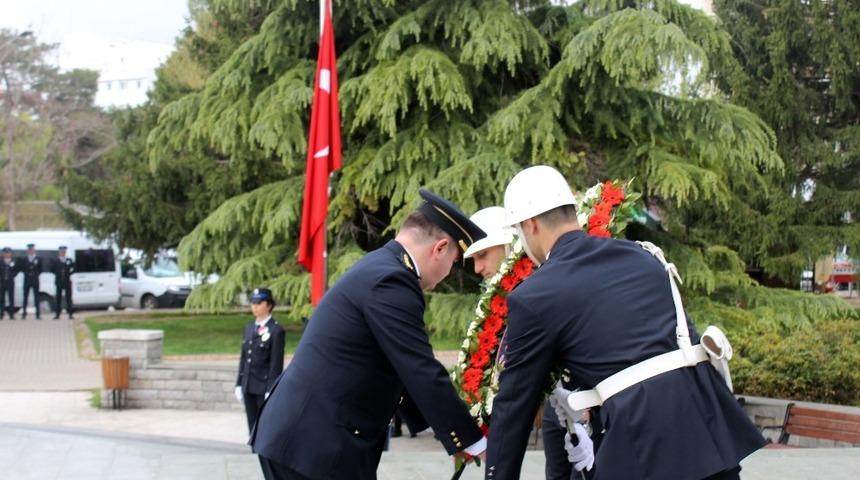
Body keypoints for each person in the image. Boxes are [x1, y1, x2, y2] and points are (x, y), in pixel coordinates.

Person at [484, 166, 765, 480]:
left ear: (530, 225)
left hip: (643, 448)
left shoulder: (534, 296)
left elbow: (514, 408)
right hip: (707, 433)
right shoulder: (643, 257)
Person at [250, 189, 488, 480]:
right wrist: (471, 441)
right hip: (313, 445)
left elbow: (398, 368)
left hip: (311, 439)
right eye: (453, 261)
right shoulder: (392, 280)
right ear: (439, 248)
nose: (449, 272)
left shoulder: (382, 268)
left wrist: (445, 428)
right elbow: (418, 367)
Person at [464, 207, 592, 480]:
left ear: (511, 243)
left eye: (483, 255)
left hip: (587, 406)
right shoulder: (504, 302)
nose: (478, 268)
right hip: (555, 409)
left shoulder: (553, 280)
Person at [51, 246, 75, 320]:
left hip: (67, 281)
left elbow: (74, 268)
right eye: (61, 251)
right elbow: (52, 269)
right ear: (59, 252)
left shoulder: (69, 260)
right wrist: (58, 274)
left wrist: (69, 273)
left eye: (64, 251)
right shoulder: (56, 260)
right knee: (58, 298)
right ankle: (57, 314)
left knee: (68, 298)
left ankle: (70, 314)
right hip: (59, 282)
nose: (63, 252)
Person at [20, 243, 43, 320]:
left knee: (36, 297)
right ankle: (24, 314)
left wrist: (35, 275)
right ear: (27, 250)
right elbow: (22, 269)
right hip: (27, 280)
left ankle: (37, 314)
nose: (30, 251)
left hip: (35, 280)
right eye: (29, 249)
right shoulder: (24, 259)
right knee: (25, 297)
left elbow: (40, 269)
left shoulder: (38, 259)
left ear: (34, 250)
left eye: (32, 249)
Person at [0, 247, 17, 320]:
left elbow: (16, 270)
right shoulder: (0, 261)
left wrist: (12, 276)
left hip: (10, 282)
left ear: (10, 253)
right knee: (1, 299)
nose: (6, 254)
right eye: (5, 253)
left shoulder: (13, 261)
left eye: (8, 252)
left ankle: (11, 314)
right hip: (2, 282)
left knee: (11, 298)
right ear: (3, 254)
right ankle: (1, 314)